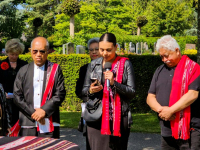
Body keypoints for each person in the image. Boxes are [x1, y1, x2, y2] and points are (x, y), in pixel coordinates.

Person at [82, 33, 135, 150]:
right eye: (101, 49)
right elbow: (84, 91)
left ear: (116, 48)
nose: (104, 53)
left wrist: (114, 83)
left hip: (119, 118)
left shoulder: (126, 64)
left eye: (108, 50)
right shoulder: (93, 65)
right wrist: (91, 90)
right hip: (96, 117)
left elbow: (132, 92)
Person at [147, 35, 200, 149]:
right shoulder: (159, 70)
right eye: (161, 57)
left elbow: (192, 94)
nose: (164, 60)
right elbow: (150, 96)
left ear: (177, 50)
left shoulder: (193, 68)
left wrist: (171, 110)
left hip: (190, 130)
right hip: (167, 128)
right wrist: (162, 111)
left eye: (166, 56)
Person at [13, 37, 66, 138]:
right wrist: (34, 114)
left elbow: (60, 93)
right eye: (35, 51)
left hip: (49, 120)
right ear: (30, 51)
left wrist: (44, 111)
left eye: (42, 51)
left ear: (47, 52)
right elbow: (17, 96)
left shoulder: (56, 70)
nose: (38, 54)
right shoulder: (23, 70)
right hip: (28, 122)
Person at [75, 38, 101, 150]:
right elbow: (78, 91)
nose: (94, 52)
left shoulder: (109, 68)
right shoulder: (84, 69)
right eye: (91, 50)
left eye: (96, 49)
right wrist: (89, 91)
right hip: (91, 111)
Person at [0, 39, 27, 127]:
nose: (14, 56)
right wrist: (3, 94)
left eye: (16, 54)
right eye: (12, 54)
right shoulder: (1, 64)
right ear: (7, 52)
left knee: (20, 125)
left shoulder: (24, 65)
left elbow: (27, 82)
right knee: (7, 125)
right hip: (5, 101)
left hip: (20, 100)